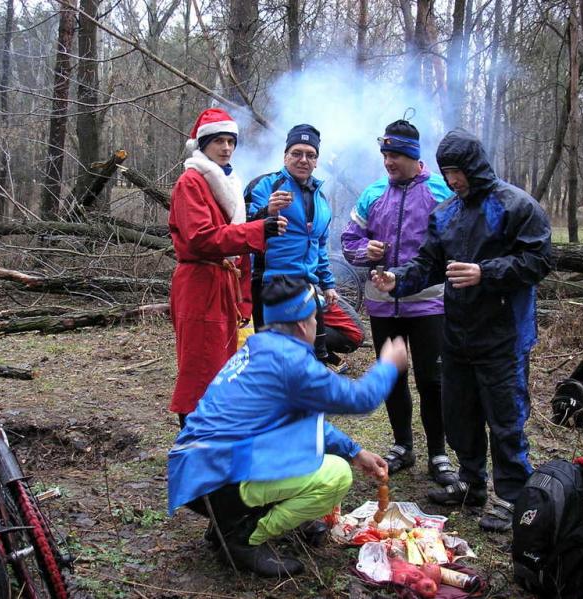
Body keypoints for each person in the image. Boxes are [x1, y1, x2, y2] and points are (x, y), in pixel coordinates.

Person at [371, 128, 552, 532]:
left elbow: (539, 260)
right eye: (446, 172)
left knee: (505, 418)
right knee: (459, 413)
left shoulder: (515, 206)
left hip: (504, 333)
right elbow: (428, 264)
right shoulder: (446, 212)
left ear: (474, 167)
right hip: (457, 331)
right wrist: (397, 280)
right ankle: (471, 482)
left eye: (457, 171)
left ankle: (512, 495)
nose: (452, 179)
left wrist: (485, 273)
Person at [167, 276, 407, 577]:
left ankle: (224, 524)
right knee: (335, 475)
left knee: (305, 455)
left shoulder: (258, 349)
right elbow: (360, 398)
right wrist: (387, 364)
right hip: (216, 480)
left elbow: (302, 423)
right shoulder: (292, 363)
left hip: (194, 477)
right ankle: (243, 538)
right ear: (304, 323)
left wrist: (355, 450)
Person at [341, 119, 455, 486]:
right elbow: (348, 239)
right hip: (382, 304)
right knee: (393, 379)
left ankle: (439, 453)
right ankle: (403, 446)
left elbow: (458, 242)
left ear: (414, 156)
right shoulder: (373, 193)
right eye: (385, 154)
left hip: (429, 304)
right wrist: (364, 249)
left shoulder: (441, 191)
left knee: (432, 379)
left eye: (395, 155)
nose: (388, 161)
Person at [168, 108, 287, 428]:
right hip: (199, 285)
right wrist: (259, 230)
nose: (226, 148)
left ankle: (217, 446)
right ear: (203, 144)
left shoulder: (227, 181)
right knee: (200, 369)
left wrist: (244, 299)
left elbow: (238, 254)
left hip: (224, 284)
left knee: (223, 368)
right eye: (219, 141)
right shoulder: (190, 182)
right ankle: (194, 448)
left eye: (231, 141)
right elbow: (201, 239)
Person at [245, 124, 338, 364]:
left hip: (306, 285)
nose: (303, 160)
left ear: (317, 161)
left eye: (310, 155)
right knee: (272, 359)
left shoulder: (320, 196)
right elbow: (240, 229)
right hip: (270, 283)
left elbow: (319, 244)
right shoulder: (265, 186)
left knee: (313, 358)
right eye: (296, 153)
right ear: (285, 156)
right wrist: (269, 211)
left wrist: (327, 283)